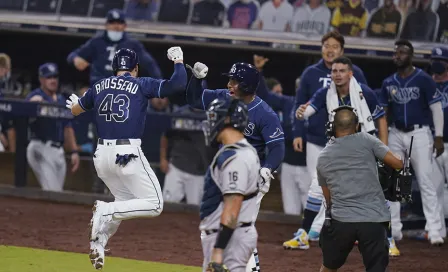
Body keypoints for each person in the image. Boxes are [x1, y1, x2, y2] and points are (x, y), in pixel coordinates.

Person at [65, 46, 187, 270]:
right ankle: (105, 209)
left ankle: (99, 244)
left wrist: (74, 104)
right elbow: (177, 84)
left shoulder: (99, 85)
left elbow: (75, 110)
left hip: (101, 156)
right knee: (155, 204)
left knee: (124, 202)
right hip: (126, 154)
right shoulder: (140, 83)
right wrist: (178, 61)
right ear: (135, 68)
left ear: (114, 68)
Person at [186, 61, 285, 272]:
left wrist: (267, 169)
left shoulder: (264, 113)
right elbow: (194, 99)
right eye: (229, 80)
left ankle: (235, 262)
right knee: (230, 226)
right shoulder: (224, 98)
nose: (229, 84)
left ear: (247, 85)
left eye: (234, 81)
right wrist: (197, 79)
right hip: (228, 165)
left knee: (236, 224)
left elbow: (277, 147)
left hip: (249, 172)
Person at [285, 30, 367, 249]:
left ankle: (323, 229)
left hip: (349, 142)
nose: (329, 50)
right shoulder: (312, 75)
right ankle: (313, 230)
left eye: (334, 46)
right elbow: (301, 105)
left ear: (342, 51)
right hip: (316, 138)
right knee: (318, 184)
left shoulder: (356, 74)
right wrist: (298, 130)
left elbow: (369, 109)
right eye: (326, 45)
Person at [317, 105, 404, 272]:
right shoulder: (367, 139)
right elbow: (398, 164)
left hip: (341, 221)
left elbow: (328, 199)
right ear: (357, 125)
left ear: (332, 126)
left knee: (329, 267)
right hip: (373, 220)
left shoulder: (323, 156)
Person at [379, 39, 445, 245]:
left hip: (420, 133)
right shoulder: (388, 82)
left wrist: (439, 136)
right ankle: (394, 229)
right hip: (396, 133)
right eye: (395, 53)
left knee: (426, 182)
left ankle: (434, 230)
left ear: (411, 55)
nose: (397, 56)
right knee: (395, 182)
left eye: (402, 52)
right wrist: (383, 139)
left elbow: (436, 109)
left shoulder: (423, 79)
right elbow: (384, 112)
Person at [200, 98, 259, 272]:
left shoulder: (235, 158)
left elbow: (233, 208)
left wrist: (218, 251)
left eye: (214, 116)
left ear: (227, 120)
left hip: (229, 238)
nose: (210, 122)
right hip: (234, 235)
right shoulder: (244, 150)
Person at [253, 55, 310, 216]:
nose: (301, 90)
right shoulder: (288, 102)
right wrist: (258, 70)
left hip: (309, 163)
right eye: (299, 87)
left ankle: (312, 239)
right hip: (288, 162)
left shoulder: (320, 105)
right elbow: (264, 94)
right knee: (289, 209)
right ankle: (293, 239)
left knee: (311, 207)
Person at [67, 9, 162, 85]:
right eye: (112, 23)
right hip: (99, 89)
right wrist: (75, 59)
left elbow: (150, 64)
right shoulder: (96, 42)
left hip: (123, 91)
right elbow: (72, 55)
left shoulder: (133, 45)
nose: (116, 26)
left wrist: (159, 85)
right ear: (106, 25)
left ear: (125, 26)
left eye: (119, 23)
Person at [26, 63, 80, 192]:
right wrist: (31, 106)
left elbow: (68, 127)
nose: (53, 80)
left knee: (56, 193)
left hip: (58, 151)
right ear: (41, 80)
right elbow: (22, 118)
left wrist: (73, 151)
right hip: (40, 146)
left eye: (55, 77)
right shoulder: (35, 96)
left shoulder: (61, 100)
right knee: (53, 192)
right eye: (49, 77)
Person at [161, 105, 210, 205]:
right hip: (176, 167)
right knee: (166, 205)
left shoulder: (211, 116)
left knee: (195, 209)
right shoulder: (180, 113)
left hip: (199, 172)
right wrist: (163, 158)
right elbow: (165, 136)